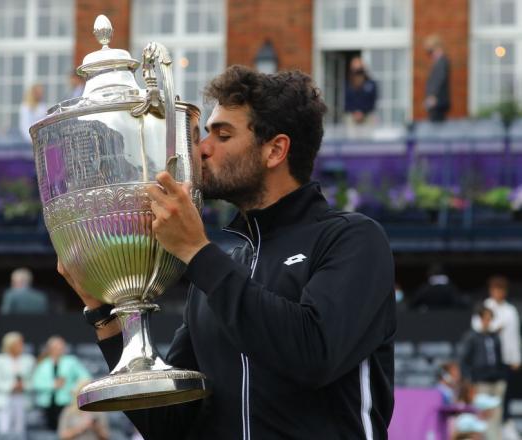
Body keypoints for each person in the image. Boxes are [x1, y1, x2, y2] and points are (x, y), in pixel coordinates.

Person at [58, 65, 396, 438]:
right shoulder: (217, 273)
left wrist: (197, 251)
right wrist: (103, 313)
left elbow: (311, 354)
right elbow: (172, 424)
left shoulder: (353, 241)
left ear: (275, 150)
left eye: (223, 134)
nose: (202, 148)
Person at [472, 275, 521, 437]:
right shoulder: (485, 307)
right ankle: (484, 432)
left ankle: (502, 428)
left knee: (503, 398)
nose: (498, 293)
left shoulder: (511, 310)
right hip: (487, 363)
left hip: (505, 361)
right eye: (495, 289)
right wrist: (495, 327)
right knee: (484, 400)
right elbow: (477, 327)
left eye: (501, 289)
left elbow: (514, 336)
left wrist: (516, 358)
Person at [460, 305, 507, 440]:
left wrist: (502, 375)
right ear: (480, 319)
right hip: (480, 381)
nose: (487, 321)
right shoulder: (472, 337)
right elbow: (464, 360)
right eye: (485, 318)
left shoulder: (495, 337)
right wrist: (468, 380)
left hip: (497, 380)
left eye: (489, 318)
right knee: (482, 414)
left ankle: (495, 438)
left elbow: (499, 357)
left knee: (496, 414)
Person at [32, 336, 92, 431]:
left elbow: (85, 377)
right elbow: (36, 383)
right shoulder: (43, 364)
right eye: (56, 347)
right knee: (49, 430)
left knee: (65, 429)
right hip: (47, 404)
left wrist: (74, 388)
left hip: (66, 401)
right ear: (50, 349)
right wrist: (52, 385)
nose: (59, 350)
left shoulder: (71, 361)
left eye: (61, 347)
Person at [0, 331, 35, 436]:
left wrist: (24, 386)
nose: (21, 346)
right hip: (5, 398)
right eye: (18, 343)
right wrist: (10, 386)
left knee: (20, 429)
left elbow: (33, 381)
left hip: (22, 398)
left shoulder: (29, 360)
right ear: (10, 345)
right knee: (4, 428)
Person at [344, 56, 377, 131]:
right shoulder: (347, 84)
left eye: (359, 70)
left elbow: (373, 101)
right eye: (355, 70)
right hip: (352, 116)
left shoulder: (371, 84)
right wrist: (355, 112)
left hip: (367, 115)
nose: (357, 72)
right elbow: (346, 101)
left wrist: (362, 112)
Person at [424, 34, 451, 122]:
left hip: (438, 102)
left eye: (431, 51)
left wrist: (433, 95)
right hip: (437, 102)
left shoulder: (442, 62)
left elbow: (439, 79)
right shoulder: (439, 62)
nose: (430, 54)